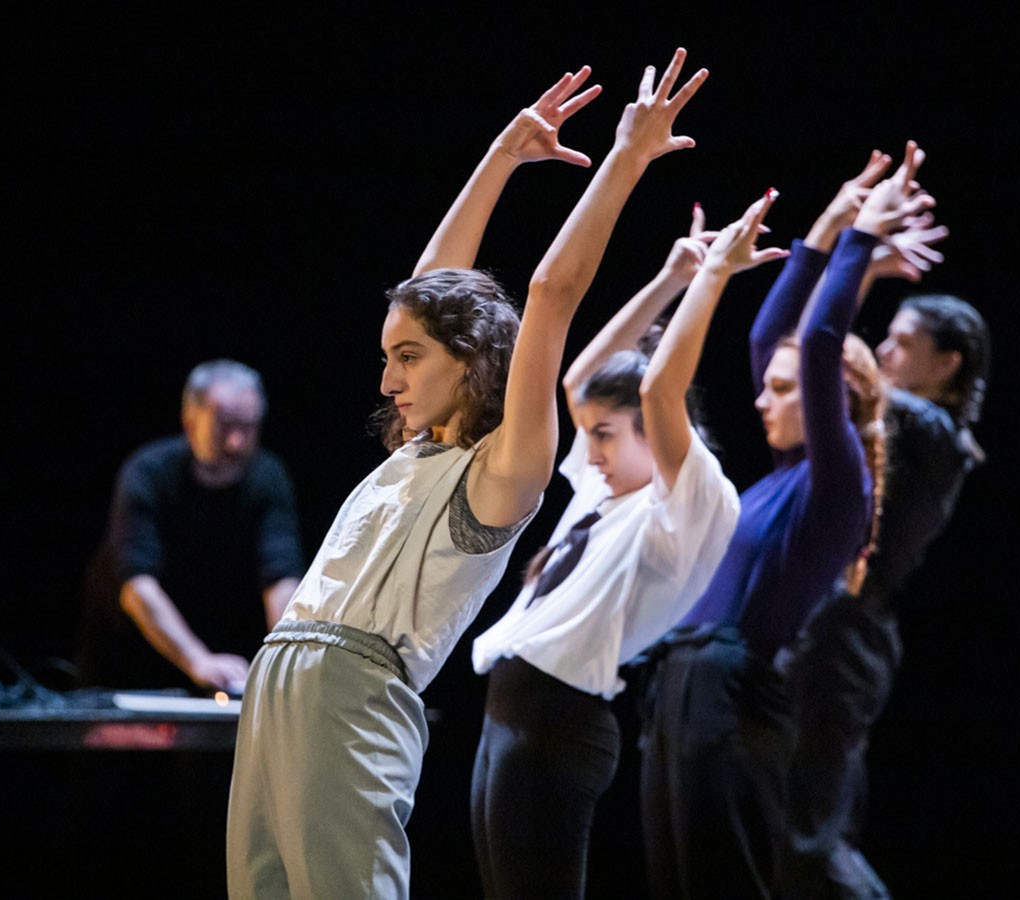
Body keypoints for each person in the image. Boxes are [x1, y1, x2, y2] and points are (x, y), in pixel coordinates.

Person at [226, 53, 710, 900]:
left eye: (409, 357)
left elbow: (552, 292)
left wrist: (627, 156)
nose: (388, 380)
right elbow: (427, 291)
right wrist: (502, 156)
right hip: (278, 682)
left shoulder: (503, 472)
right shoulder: (417, 450)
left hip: (351, 693)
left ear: (469, 357)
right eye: (387, 357)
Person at [467, 193, 794, 899]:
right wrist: (670, 279)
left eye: (606, 435)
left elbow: (659, 391)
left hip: (560, 722)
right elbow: (580, 382)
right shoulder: (605, 489)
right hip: (509, 708)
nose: (592, 450)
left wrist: (713, 278)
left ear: (653, 431)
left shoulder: (691, 502)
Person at [637, 144, 933, 900]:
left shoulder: (838, 484)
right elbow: (766, 338)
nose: (761, 397)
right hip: (681, 678)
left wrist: (859, 240)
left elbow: (818, 344)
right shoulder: (781, 478)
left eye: (783, 388)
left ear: (833, 397)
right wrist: (829, 223)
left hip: (734, 698)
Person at [777, 218, 989, 899]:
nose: (885, 352)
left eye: (901, 342)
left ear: (947, 364)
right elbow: (816, 355)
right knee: (803, 832)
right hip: (837, 636)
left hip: (844, 639)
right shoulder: (907, 426)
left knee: (807, 841)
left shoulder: (931, 432)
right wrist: (859, 268)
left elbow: (821, 354)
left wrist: (860, 265)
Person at [76, 358, 304, 692]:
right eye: (225, 425)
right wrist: (197, 659)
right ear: (190, 422)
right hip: (129, 666)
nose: (237, 442)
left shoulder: (268, 478)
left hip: (224, 666)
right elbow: (137, 588)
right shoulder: (148, 473)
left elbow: (281, 578)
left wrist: (291, 656)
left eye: (249, 426)